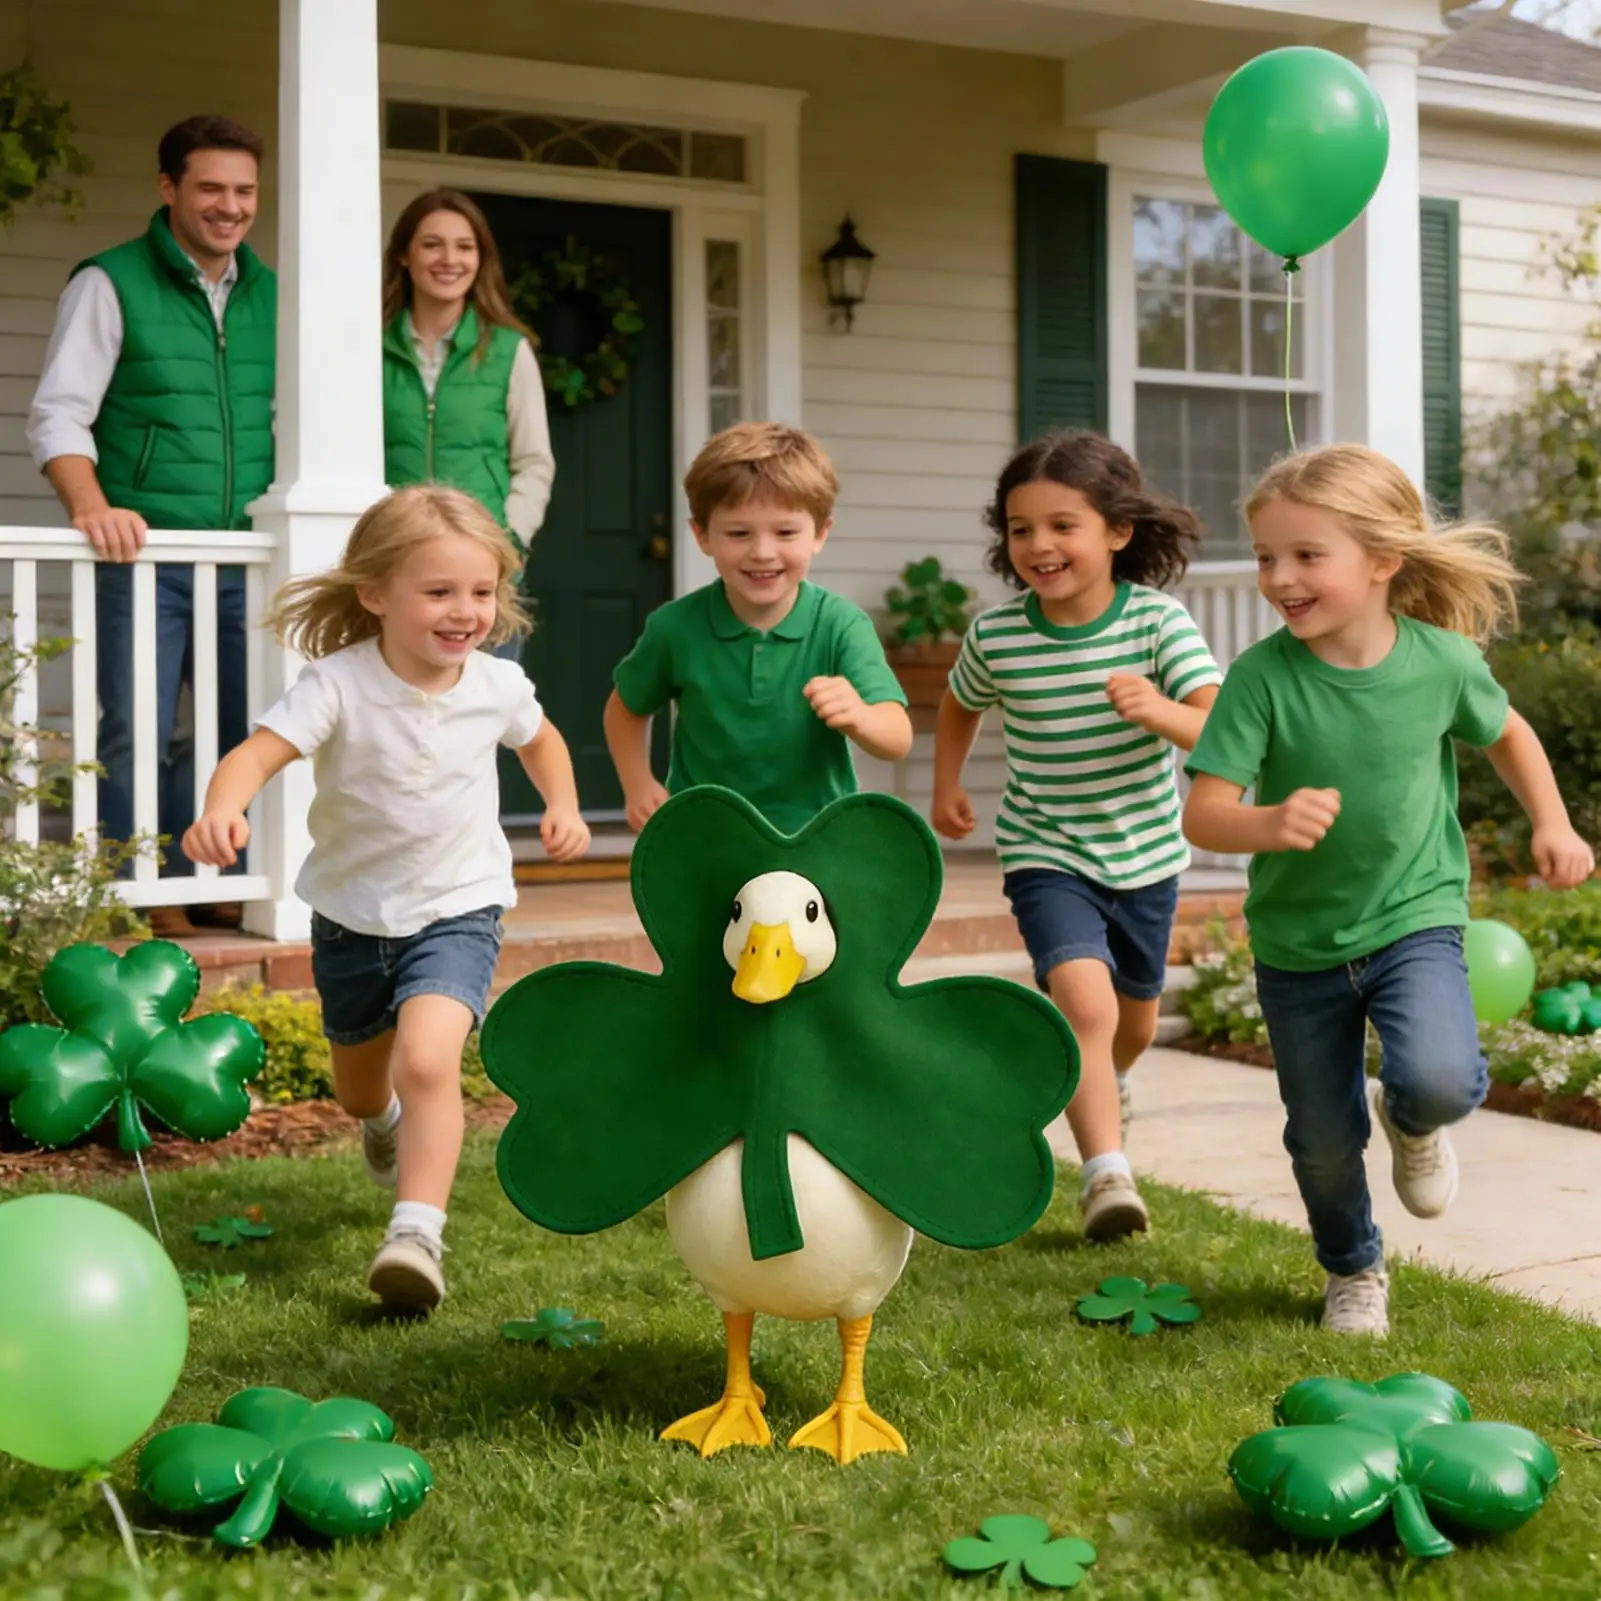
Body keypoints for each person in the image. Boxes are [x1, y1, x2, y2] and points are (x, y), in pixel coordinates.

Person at [1183, 443, 1594, 1338]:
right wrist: (1268, 822)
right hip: (1297, 945)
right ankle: (1353, 1267)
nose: (1278, 578)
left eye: (1305, 555)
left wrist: (1552, 822)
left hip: (1415, 917)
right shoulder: (1260, 678)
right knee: (1322, 1139)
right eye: (1265, 556)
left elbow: (1508, 732)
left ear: (1381, 560)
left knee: (1439, 1078)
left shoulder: (1441, 661)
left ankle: (1412, 1120)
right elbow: (1204, 814)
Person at [182, 485, 591, 1312]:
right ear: (374, 592)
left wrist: (564, 803)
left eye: (481, 591)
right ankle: (383, 1124)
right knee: (363, 1092)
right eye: (438, 591)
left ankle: (415, 1234)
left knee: (430, 1059)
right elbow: (256, 755)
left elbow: (542, 740)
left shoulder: (497, 684)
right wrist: (223, 807)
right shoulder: (337, 683)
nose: (464, 611)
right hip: (351, 917)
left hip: (459, 906)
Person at [932, 431, 1222, 1244]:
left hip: (1145, 856)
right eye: (1020, 528)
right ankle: (1105, 1175)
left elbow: (1218, 728)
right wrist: (945, 782)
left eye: (1063, 525)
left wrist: (1157, 710)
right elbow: (958, 704)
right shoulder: (998, 635)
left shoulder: (1157, 624)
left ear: (1117, 530)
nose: (1038, 545)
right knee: (1083, 1004)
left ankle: (1106, 1080)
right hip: (1044, 851)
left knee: (1132, 1023)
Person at [26, 115, 274, 935]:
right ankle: (141, 891)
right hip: (146, 555)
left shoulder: (276, 296)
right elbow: (60, 413)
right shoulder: (110, 282)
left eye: (244, 190)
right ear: (169, 189)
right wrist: (91, 506)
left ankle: (215, 878)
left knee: (245, 729)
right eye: (210, 188)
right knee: (135, 727)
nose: (229, 206)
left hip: (249, 559)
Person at [603, 422, 914, 834]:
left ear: (820, 533)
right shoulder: (674, 628)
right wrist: (638, 783)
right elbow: (625, 709)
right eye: (739, 533)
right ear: (702, 535)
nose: (763, 552)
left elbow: (897, 738)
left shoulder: (841, 626)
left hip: (813, 839)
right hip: (702, 834)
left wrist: (861, 716)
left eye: (785, 532)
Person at [381, 188, 554, 660]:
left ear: (481, 259)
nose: (449, 259)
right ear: (404, 255)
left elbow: (534, 462)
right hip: (395, 565)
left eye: (464, 246)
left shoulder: (509, 351)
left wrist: (510, 540)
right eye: (432, 244)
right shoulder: (370, 349)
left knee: (484, 702)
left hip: (484, 573)